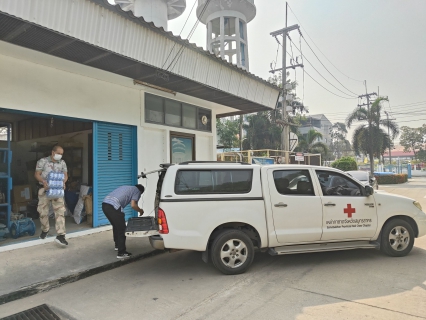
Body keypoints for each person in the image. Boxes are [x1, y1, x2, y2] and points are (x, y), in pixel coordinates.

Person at [34, 145, 68, 246]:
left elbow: (65, 175)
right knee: (43, 212)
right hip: (45, 190)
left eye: (62, 154)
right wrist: (43, 182)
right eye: (59, 153)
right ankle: (45, 230)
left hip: (57, 191)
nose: (60, 155)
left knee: (60, 212)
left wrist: (64, 182)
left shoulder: (62, 163)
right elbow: (37, 174)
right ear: (53, 152)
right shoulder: (43, 161)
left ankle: (61, 236)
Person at [102, 185, 145, 259]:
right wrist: (141, 210)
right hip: (114, 206)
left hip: (105, 204)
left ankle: (118, 245)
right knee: (122, 229)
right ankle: (121, 252)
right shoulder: (137, 191)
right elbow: (133, 205)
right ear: (141, 192)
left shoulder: (126, 187)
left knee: (116, 226)